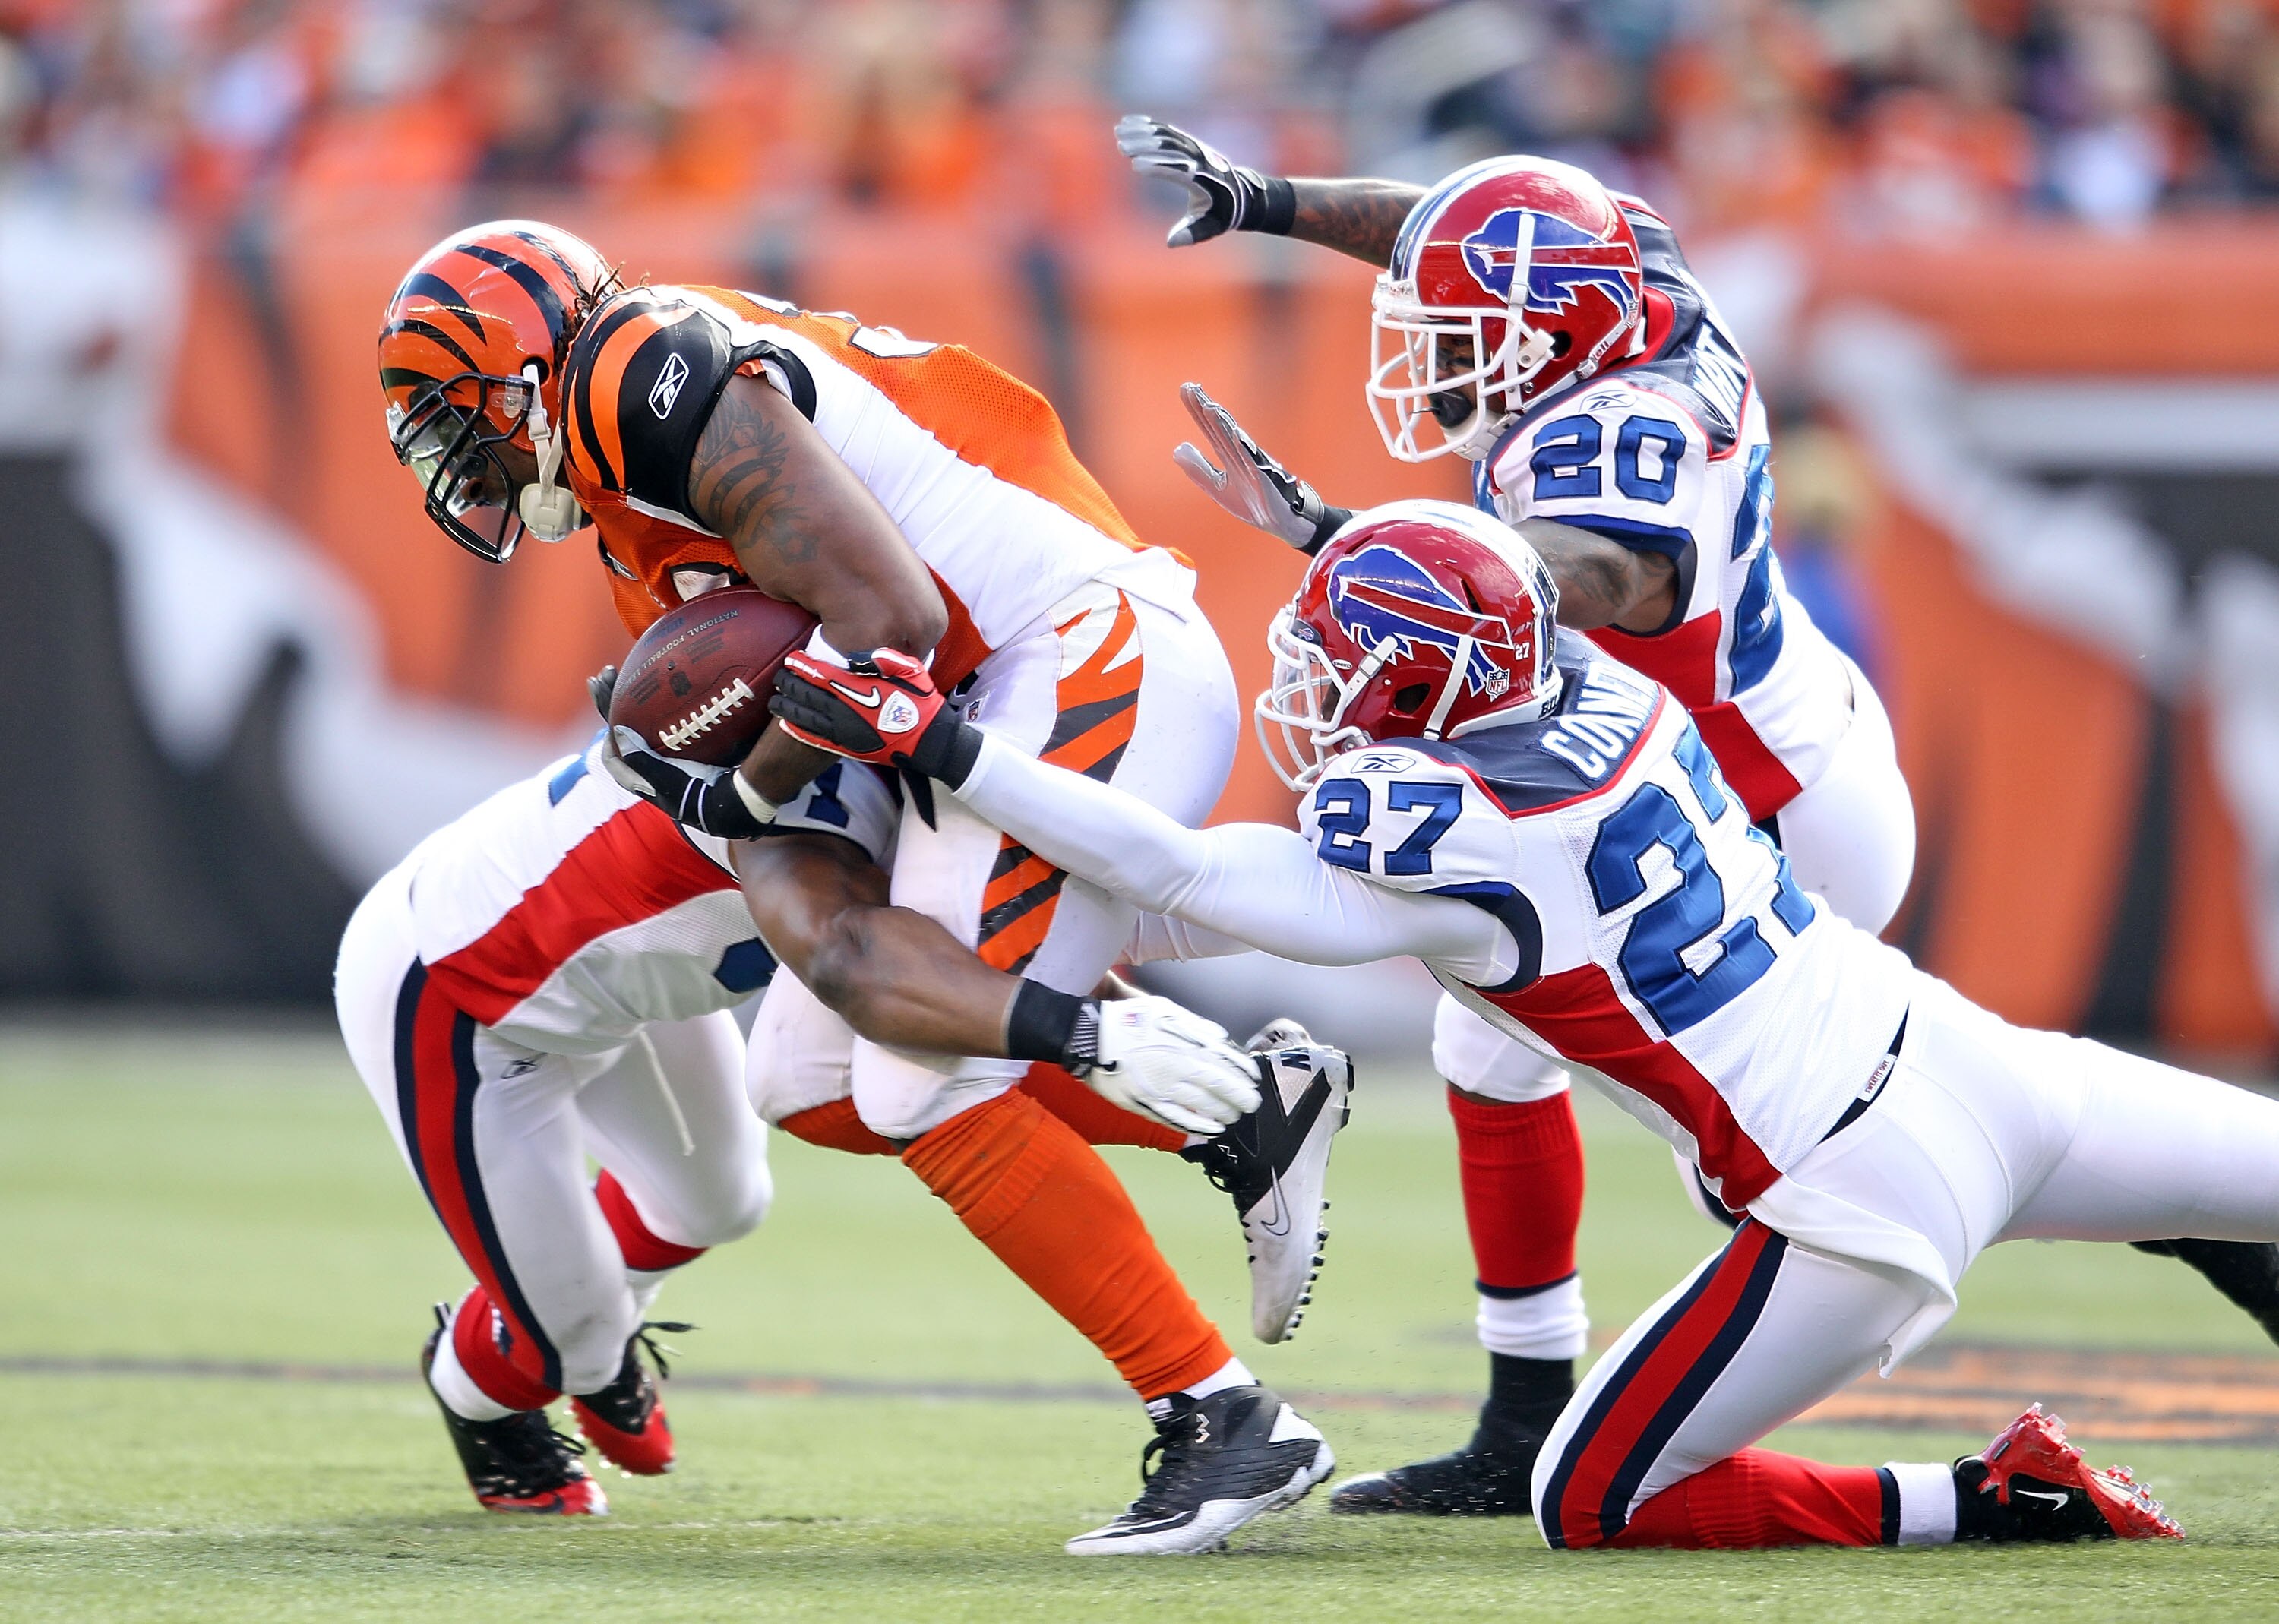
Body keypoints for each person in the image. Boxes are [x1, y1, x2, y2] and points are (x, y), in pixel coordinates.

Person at [1117, 118, 2279, 1510]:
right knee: (1505, 1043)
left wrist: (1364, 551)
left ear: (1554, 339)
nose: (1431, 360)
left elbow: (1601, 573)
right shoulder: (1635, 282)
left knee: (1754, 1118)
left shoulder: (1616, 440)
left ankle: (1592, 1405)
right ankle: (1534, 1411)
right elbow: (1472, 233)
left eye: (1459, 338)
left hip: (1756, 793)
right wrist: (1276, 198)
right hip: (1784, 736)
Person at [763, 497, 2275, 1550]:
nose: (1319, 684)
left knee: (1596, 1496)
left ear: (1419, 681)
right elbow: (1485, 608)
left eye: (1343, 659)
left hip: (1857, 1190)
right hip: (1979, 1057)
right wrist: (1343, 539)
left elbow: (1172, 874)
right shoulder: (1604, 684)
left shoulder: (1439, 829)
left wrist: (950, 743)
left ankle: (1999, 1493)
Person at [373, 226, 1344, 1550]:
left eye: (456, 418)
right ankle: (1244, 1116)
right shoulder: (628, 515)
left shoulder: (631, 372)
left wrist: (749, 783)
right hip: (1000, 692)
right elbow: (821, 894)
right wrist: (735, 794)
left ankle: (1223, 1418)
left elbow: (891, 614)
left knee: (914, 1077)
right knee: (810, 1084)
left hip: (1070, 645)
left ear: (522, 371)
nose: (456, 463)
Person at [336, 719, 1341, 1544]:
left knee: (722, 1197)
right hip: (461, 999)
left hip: (620, 985)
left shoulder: (862, 743)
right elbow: (888, 964)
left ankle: (573, 1306)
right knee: (572, 1341)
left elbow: (993, 938)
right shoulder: (779, 799)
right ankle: (487, 1382)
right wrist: (1091, 1027)